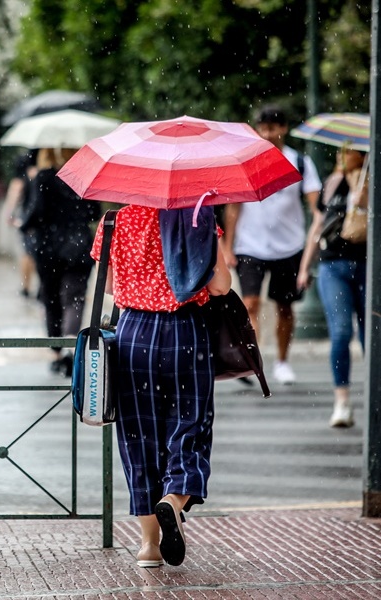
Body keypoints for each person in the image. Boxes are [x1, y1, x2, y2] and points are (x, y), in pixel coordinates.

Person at [91, 203, 232, 568]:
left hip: (132, 335)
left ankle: (149, 546)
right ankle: (173, 499)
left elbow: (107, 284)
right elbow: (220, 285)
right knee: (190, 427)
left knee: (138, 438)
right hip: (185, 330)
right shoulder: (197, 217)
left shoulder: (113, 220)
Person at [221, 105, 322, 385]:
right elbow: (233, 208)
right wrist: (228, 247)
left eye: (272, 128)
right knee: (250, 303)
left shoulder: (300, 162)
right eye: (262, 128)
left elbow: (316, 204)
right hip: (250, 244)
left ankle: (282, 360)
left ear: (283, 129)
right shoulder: (247, 161)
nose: (267, 134)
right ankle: (254, 359)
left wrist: (317, 225)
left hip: (288, 246)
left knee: (284, 307)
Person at [297, 145, 369, 428]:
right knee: (340, 331)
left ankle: (376, 396)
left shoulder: (372, 181)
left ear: (363, 155)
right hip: (332, 265)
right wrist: (304, 267)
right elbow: (318, 225)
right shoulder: (332, 182)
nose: (342, 155)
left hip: (366, 264)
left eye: (349, 151)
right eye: (340, 151)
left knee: (369, 336)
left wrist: (365, 202)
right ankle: (342, 401)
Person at [20, 147, 100, 375]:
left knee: (51, 298)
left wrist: (23, 224)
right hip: (79, 247)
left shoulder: (44, 177)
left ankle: (56, 353)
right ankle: (69, 347)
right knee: (74, 298)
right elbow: (93, 212)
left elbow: (36, 212)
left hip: (49, 248)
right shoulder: (83, 177)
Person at [3, 149, 39, 299]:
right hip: (41, 217)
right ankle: (40, 287)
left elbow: (15, 192)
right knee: (38, 253)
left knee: (27, 253)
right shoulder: (40, 169)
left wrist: (9, 215)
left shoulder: (22, 171)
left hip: (27, 218)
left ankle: (26, 286)